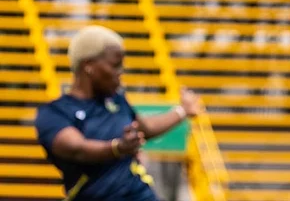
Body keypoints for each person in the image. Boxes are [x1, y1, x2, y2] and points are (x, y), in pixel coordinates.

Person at [34, 25, 201, 201]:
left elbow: (146, 128)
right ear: (89, 66)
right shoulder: (55, 113)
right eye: (115, 65)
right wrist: (118, 148)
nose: (120, 72)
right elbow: (78, 149)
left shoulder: (116, 100)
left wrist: (183, 111)